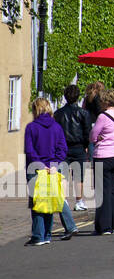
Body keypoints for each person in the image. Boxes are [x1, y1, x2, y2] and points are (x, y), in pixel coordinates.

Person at [25, 97, 68, 246]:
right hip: (53, 168)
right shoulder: (56, 127)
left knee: (37, 202)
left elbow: (29, 150)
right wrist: (54, 164)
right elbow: (62, 148)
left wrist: (41, 165)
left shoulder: (31, 127)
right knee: (49, 202)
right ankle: (48, 234)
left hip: (36, 168)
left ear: (36, 109)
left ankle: (38, 235)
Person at [89, 88, 114, 235]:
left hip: (104, 155)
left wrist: (98, 138)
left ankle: (104, 226)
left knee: (103, 192)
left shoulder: (102, 116)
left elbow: (93, 136)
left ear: (104, 101)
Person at [54, 84, 92, 212]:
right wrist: (86, 146)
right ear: (77, 97)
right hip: (79, 147)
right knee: (79, 176)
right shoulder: (83, 113)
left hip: (63, 148)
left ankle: (63, 200)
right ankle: (79, 201)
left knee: (63, 176)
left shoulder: (58, 113)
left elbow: (56, 132)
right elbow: (88, 132)